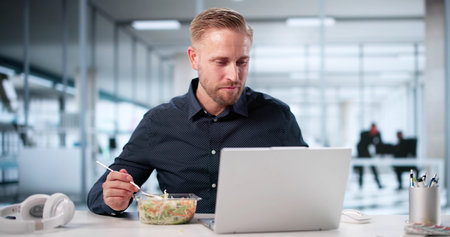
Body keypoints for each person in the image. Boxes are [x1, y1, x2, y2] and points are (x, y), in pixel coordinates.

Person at [87, 8, 308, 215]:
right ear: (194, 58)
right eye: (221, 62)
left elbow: (307, 187)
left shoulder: (277, 116)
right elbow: (98, 195)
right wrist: (113, 199)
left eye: (242, 62)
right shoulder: (159, 122)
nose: (234, 75)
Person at [354, 123, 384, 189]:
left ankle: (378, 184)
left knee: (373, 169)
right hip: (361, 153)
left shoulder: (377, 134)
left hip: (368, 154)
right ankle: (360, 185)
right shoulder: (364, 134)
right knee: (361, 170)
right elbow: (361, 145)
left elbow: (380, 144)